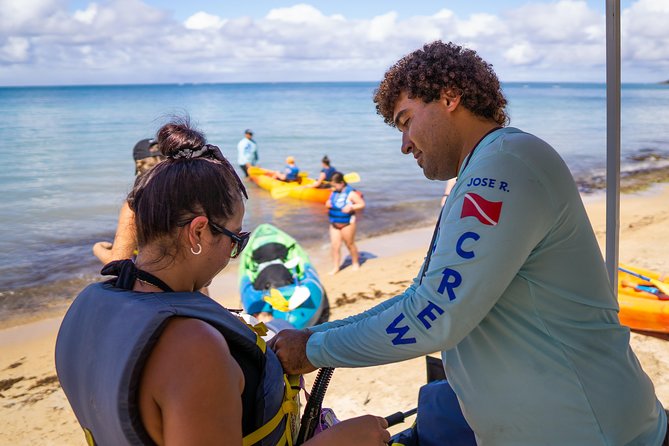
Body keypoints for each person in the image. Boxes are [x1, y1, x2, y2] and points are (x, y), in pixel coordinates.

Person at [269, 41, 668, 445]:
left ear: (449, 96)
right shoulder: (487, 167)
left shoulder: (505, 164)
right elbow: (421, 297)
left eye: (406, 121)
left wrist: (314, 351)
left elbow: (432, 315)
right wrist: (316, 338)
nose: (404, 143)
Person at [55, 119, 390, 446]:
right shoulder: (194, 349)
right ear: (198, 232)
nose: (236, 250)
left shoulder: (87, 305)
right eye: (236, 239)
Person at [92, 138, 164, 264]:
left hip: (154, 273)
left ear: (138, 164)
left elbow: (116, 262)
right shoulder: (181, 191)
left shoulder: (135, 202)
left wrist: (97, 248)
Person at [326, 172, 365, 274]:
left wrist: (351, 207)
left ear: (342, 183)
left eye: (335, 185)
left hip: (347, 223)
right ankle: (336, 267)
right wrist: (328, 204)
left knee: (349, 244)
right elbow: (329, 202)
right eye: (332, 185)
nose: (333, 187)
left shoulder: (351, 194)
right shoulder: (333, 192)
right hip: (334, 223)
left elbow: (361, 204)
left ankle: (355, 262)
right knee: (335, 246)